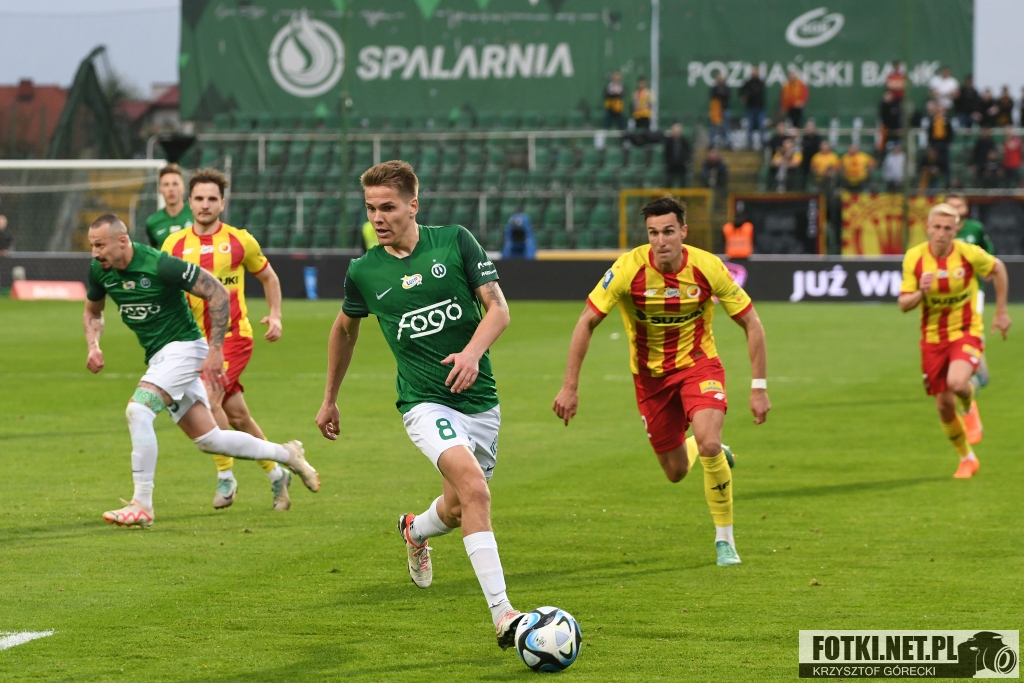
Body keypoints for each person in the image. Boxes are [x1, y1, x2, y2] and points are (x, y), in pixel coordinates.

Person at [315, 160, 525, 649]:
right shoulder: (364, 271)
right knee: (475, 492)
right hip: (424, 403)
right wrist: (329, 399)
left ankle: (415, 530)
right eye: (370, 208)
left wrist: (471, 353)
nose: (378, 217)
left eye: (387, 207)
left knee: (456, 509)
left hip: (479, 402)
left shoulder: (454, 242)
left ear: (413, 205)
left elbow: (498, 308)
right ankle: (504, 615)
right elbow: (344, 330)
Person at [552, 196, 770, 566]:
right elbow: (586, 321)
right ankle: (705, 449)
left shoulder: (707, 267)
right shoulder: (628, 269)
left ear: (683, 231)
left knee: (709, 441)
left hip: (699, 367)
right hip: (651, 380)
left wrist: (759, 387)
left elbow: (751, 322)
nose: (660, 240)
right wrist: (570, 386)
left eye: (668, 231)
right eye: (653, 233)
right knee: (675, 472)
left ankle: (725, 539)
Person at [83, 215, 319, 527]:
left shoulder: (159, 264)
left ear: (123, 241)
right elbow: (93, 312)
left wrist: (215, 349)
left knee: (138, 410)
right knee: (210, 440)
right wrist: (93, 345)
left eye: (100, 245)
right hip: (160, 357)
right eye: (92, 246)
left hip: (184, 348)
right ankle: (287, 456)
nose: (95, 253)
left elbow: (217, 291)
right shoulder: (100, 271)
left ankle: (142, 504)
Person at [162, 168, 292, 511]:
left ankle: (225, 475)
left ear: (222, 202)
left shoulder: (240, 240)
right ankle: (277, 472)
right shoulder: (173, 245)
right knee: (237, 416)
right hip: (195, 341)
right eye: (199, 198)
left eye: (212, 199)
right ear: (189, 202)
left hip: (234, 337)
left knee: (207, 400)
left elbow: (269, 277)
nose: (205, 205)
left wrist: (275, 315)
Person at [898, 203, 1011, 478]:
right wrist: (921, 293)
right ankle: (967, 458)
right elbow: (903, 304)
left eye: (948, 228)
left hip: (965, 330)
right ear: (928, 228)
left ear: (956, 230)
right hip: (932, 338)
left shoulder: (967, 253)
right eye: (937, 227)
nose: (941, 233)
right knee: (943, 405)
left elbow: (998, 269)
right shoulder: (914, 258)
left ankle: (970, 407)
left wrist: (1001, 312)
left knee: (957, 382)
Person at [947, 194, 995, 391]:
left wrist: (987, 268)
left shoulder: (975, 229)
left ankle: (977, 369)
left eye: (958, 206)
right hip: (946, 293)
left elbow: (987, 249)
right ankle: (968, 368)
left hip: (973, 290)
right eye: (950, 206)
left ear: (965, 208)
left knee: (972, 328)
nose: (955, 210)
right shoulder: (940, 231)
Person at [145, 164, 194, 248]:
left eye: (175, 184)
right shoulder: (152, 222)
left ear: (183, 188)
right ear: (160, 190)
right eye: (166, 185)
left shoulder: (195, 214)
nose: (171, 189)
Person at [926, 101, 953, 186]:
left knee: (945, 164)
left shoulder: (947, 120)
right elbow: (930, 132)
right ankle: (933, 185)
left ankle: (947, 184)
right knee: (933, 165)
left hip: (944, 144)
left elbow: (950, 132)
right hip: (935, 145)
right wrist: (931, 145)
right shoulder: (933, 120)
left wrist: (949, 142)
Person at [739, 66, 766, 148]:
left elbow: (757, 92)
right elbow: (741, 89)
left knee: (761, 126)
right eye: (753, 71)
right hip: (750, 108)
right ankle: (750, 143)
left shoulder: (761, 82)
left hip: (760, 108)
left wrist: (748, 96)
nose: (755, 73)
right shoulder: (748, 82)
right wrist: (743, 97)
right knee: (749, 126)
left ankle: (763, 142)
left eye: (756, 71)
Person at [663, 122, 691, 188]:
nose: (676, 132)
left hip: (681, 165)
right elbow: (666, 153)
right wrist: (668, 162)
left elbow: (688, 151)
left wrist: (686, 160)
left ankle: (683, 194)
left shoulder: (684, 141)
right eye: (674, 131)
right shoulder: (669, 142)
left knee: (683, 183)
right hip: (671, 165)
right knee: (669, 182)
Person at [708, 72, 731, 149]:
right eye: (718, 77)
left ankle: (727, 143)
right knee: (714, 127)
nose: (720, 79)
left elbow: (725, 95)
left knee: (726, 127)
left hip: (724, 109)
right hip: (716, 110)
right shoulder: (715, 88)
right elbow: (714, 95)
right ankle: (712, 143)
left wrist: (719, 93)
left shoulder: (726, 87)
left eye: (721, 78)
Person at [800, 120, 822, 187]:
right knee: (804, 175)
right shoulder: (803, 138)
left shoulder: (818, 138)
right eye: (808, 127)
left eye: (811, 127)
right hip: (805, 160)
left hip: (816, 160)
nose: (810, 129)